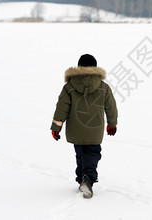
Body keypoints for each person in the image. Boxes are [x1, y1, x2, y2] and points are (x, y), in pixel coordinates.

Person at [50, 54, 118, 199]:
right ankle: (88, 179)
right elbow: (111, 107)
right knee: (92, 154)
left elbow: (61, 107)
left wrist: (56, 127)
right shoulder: (103, 87)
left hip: (76, 129)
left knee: (80, 155)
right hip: (95, 129)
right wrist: (112, 124)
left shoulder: (69, 87)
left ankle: (82, 179)